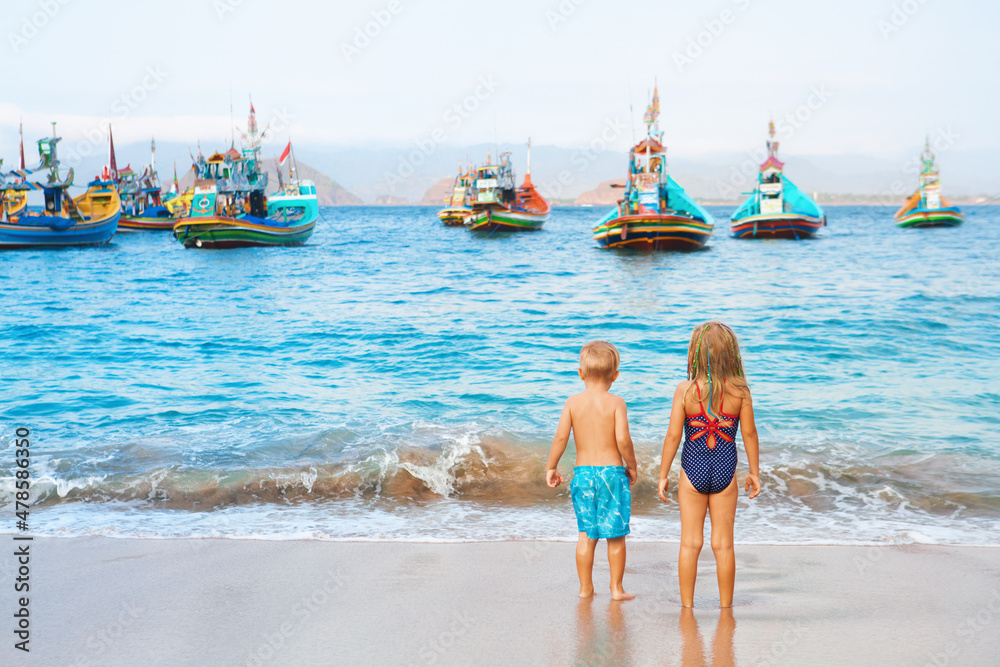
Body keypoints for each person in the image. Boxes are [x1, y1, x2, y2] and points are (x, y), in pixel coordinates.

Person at [657, 322, 761, 608]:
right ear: (732, 355)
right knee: (723, 544)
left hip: (693, 469)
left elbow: (674, 435)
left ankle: (687, 607)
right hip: (726, 469)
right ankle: (726, 607)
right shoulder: (741, 390)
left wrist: (663, 474)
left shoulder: (685, 390)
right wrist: (754, 471)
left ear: (694, 355)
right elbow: (750, 434)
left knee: (690, 543)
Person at [546, 341, 638, 600]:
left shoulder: (573, 402)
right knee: (616, 536)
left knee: (586, 534)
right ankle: (617, 589)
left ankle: (586, 588)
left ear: (581, 374)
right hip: (611, 474)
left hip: (584, 474)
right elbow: (622, 440)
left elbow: (561, 438)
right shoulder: (616, 402)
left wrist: (552, 466)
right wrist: (631, 465)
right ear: (615, 376)